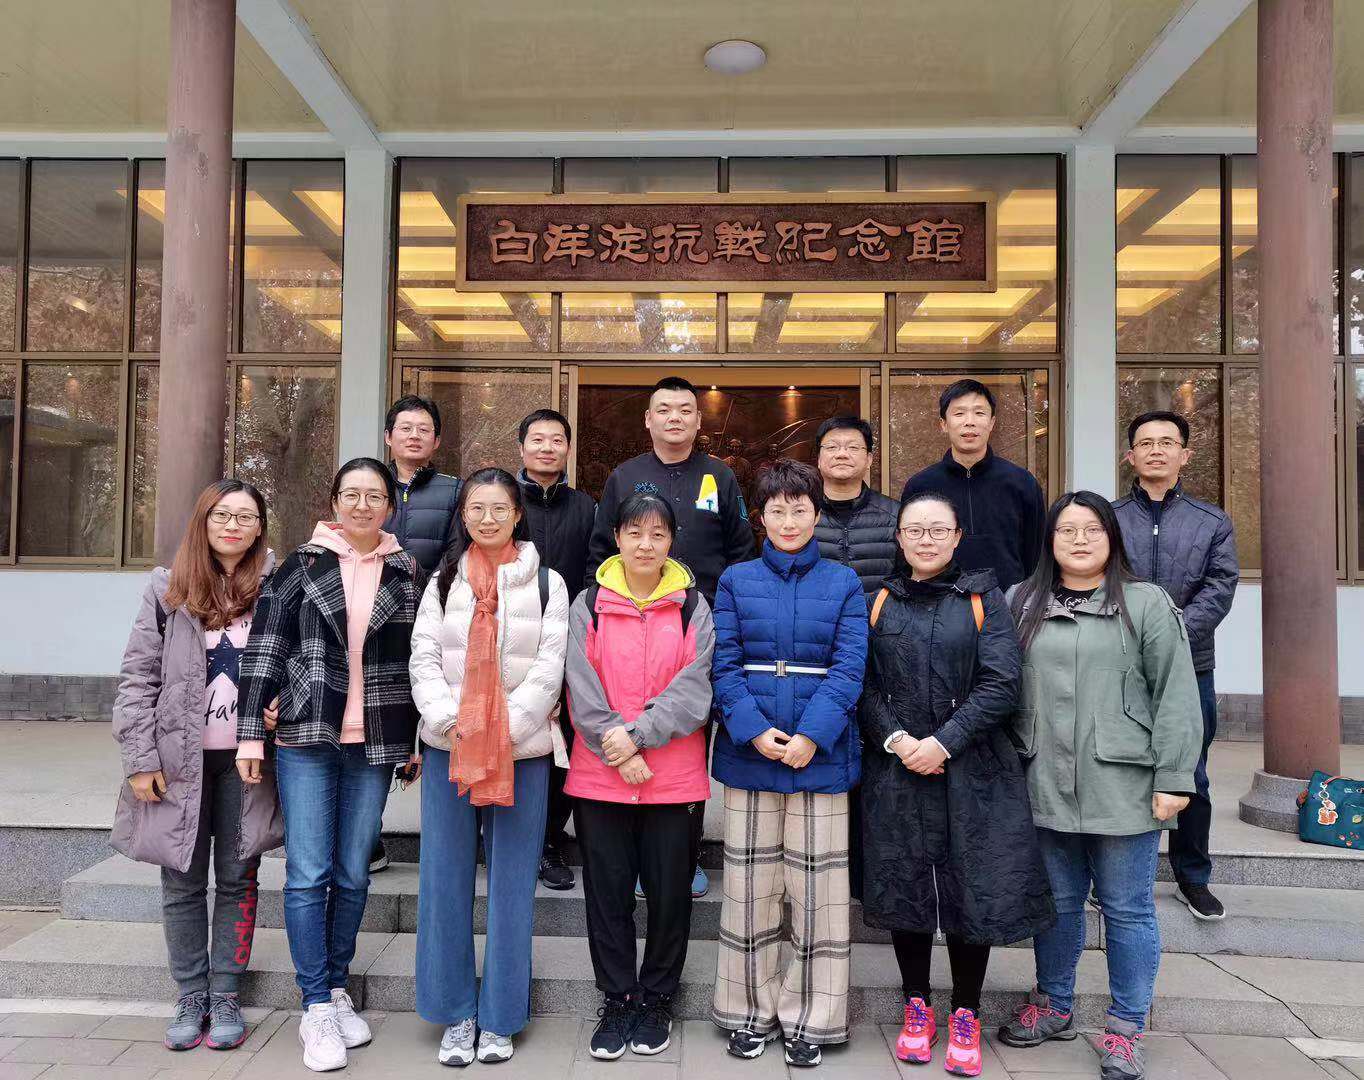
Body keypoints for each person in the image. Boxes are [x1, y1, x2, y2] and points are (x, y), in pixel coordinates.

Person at [997, 492, 1201, 1080]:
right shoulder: (1021, 601)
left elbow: (1176, 693)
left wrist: (1175, 777)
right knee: (1058, 905)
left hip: (1124, 781)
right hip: (1043, 778)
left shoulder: (1146, 602)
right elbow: (1001, 687)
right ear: (1050, 540)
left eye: (1092, 529)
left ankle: (1126, 1028)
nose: (1080, 540)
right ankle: (1054, 1004)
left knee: (1128, 909)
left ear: (1112, 537)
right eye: (1067, 530)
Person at [237, 458, 422, 1074]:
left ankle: (337, 986)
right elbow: (265, 648)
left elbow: (419, 660)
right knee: (307, 873)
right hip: (307, 734)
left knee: (353, 872)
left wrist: (415, 738)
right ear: (335, 501)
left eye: (375, 496)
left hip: (376, 739)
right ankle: (314, 1003)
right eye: (352, 494)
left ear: (390, 506)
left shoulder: (407, 569)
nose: (363, 505)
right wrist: (250, 736)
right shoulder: (300, 564)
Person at [859, 492, 1053, 1077]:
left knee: (973, 885)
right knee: (906, 885)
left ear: (957, 536)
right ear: (898, 538)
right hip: (896, 768)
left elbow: (1001, 683)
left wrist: (942, 742)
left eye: (937, 530)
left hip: (972, 767)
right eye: (914, 530)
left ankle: (965, 1009)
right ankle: (916, 1004)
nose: (926, 539)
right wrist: (899, 741)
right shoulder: (879, 601)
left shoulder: (982, 599)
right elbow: (863, 684)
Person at [111, 479, 283, 1054]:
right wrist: (140, 758)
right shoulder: (167, 588)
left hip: (248, 760)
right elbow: (137, 677)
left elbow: (296, 663)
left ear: (259, 528)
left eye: (245, 517)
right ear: (203, 522)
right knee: (180, 878)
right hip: (176, 760)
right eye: (221, 515)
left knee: (238, 876)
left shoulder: (276, 585)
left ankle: (226, 993)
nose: (233, 526)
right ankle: (190, 993)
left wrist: (282, 703)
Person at [409, 467, 570, 1067]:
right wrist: (448, 718)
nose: (488, 518)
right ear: (464, 514)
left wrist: (507, 725)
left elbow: (550, 664)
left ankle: (500, 1015)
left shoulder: (548, 582)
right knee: (444, 879)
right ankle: (455, 1012)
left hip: (521, 753)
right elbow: (423, 655)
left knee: (512, 885)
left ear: (517, 514)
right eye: (477, 507)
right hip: (450, 748)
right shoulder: (444, 578)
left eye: (500, 507)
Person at [709, 459, 867, 1068]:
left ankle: (811, 1019)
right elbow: (723, 664)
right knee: (749, 890)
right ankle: (748, 1011)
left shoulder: (844, 582)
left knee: (817, 892)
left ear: (816, 513)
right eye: (777, 510)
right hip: (750, 753)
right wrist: (752, 730)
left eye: (800, 509)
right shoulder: (735, 580)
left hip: (820, 757)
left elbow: (849, 668)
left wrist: (811, 736)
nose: (790, 520)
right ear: (761, 516)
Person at [587, 375, 755, 898]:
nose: (675, 417)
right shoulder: (625, 476)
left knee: (687, 737)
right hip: (630, 625)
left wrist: (726, 619)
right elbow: (600, 552)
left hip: (696, 628)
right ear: (648, 419)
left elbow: (741, 551)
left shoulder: (719, 476)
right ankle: (635, 857)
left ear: (699, 420)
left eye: (685, 409)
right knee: (631, 726)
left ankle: (687, 854)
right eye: (664, 409)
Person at [564, 492, 716, 1061]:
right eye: (635, 533)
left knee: (670, 895)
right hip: (601, 774)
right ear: (617, 537)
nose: (645, 544)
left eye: (657, 534)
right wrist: (620, 747)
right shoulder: (589, 603)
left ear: (671, 540)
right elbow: (579, 683)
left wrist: (639, 736)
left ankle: (656, 999)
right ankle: (617, 997)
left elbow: (696, 686)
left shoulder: (692, 605)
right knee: (607, 896)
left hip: (673, 776)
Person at [1114, 411, 1239, 922]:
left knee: (1191, 772)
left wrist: (1171, 634)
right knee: (1119, 767)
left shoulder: (1211, 521)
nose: (1157, 450)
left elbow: (1220, 587)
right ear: (1131, 456)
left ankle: (1193, 876)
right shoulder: (1111, 519)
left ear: (1185, 454)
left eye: (1167, 442)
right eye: (1146, 443)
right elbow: (1097, 578)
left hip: (1190, 665)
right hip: (1120, 661)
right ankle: (1117, 876)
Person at [371, 394, 462, 874]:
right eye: (405, 428)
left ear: (436, 440)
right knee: (372, 724)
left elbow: (457, 554)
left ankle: (445, 840)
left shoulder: (453, 491)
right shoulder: (368, 484)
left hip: (432, 621)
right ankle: (368, 835)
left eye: (423, 429)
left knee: (434, 721)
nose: (413, 435)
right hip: (370, 623)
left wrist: (424, 597)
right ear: (389, 436)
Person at [517, 408, 597, 891]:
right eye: (538, 439)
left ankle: (548, 840)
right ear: (522, 447)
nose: (547, 448)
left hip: (569, 639)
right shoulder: (504, 501)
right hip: (511, 639)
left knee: (564, 740)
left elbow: (595, 568)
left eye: (557, 440)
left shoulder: (586, 506)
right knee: (516, 734)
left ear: (568, 448)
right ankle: (510, 837)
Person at [900, 379, 1046, 592]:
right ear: (943, 423)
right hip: (937, 601)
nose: (970, 422)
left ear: (992, 422)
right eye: (959, 413)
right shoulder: (920, 486)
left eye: (979, 413)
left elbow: (1036, 554)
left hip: (1008, 603)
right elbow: (908, 552)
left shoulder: (1022, 483)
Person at [812, 415, 898, 603]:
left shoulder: (895, 515)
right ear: (818, 459)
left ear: (869, 459)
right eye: (832, 447)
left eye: (853, 447)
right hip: (816, 620)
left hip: (877, 620)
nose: (842, 454)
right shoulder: (802, 515)